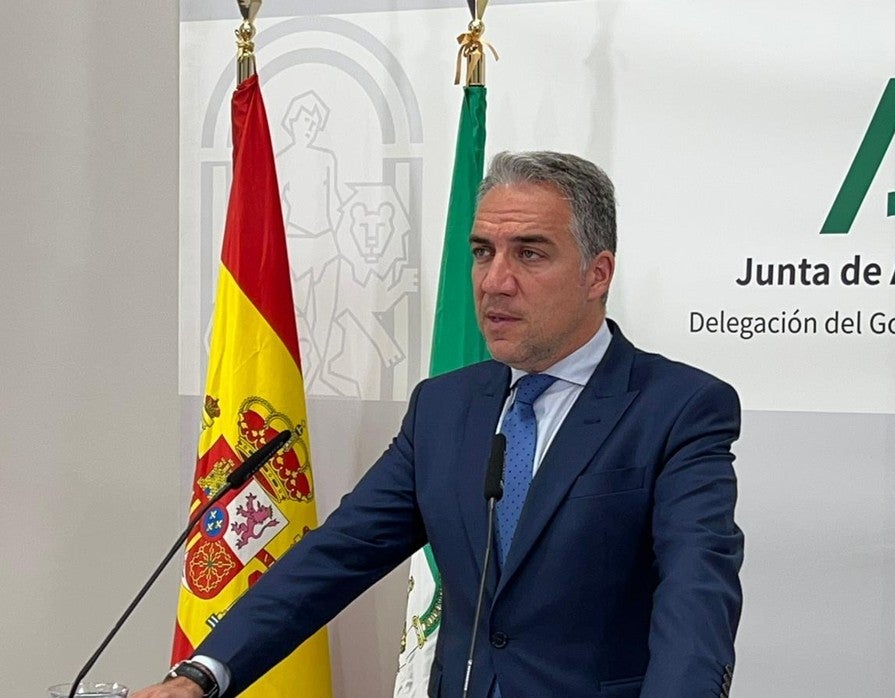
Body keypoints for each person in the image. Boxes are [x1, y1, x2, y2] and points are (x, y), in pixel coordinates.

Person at [136, 151, 744, 698]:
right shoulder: (444, 408)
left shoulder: (679, 409)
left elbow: (696, 597)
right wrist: (204, 672)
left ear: (597, 273)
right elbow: (338, 553)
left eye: (529, 253)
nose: (494, 281)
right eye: (483, 252)